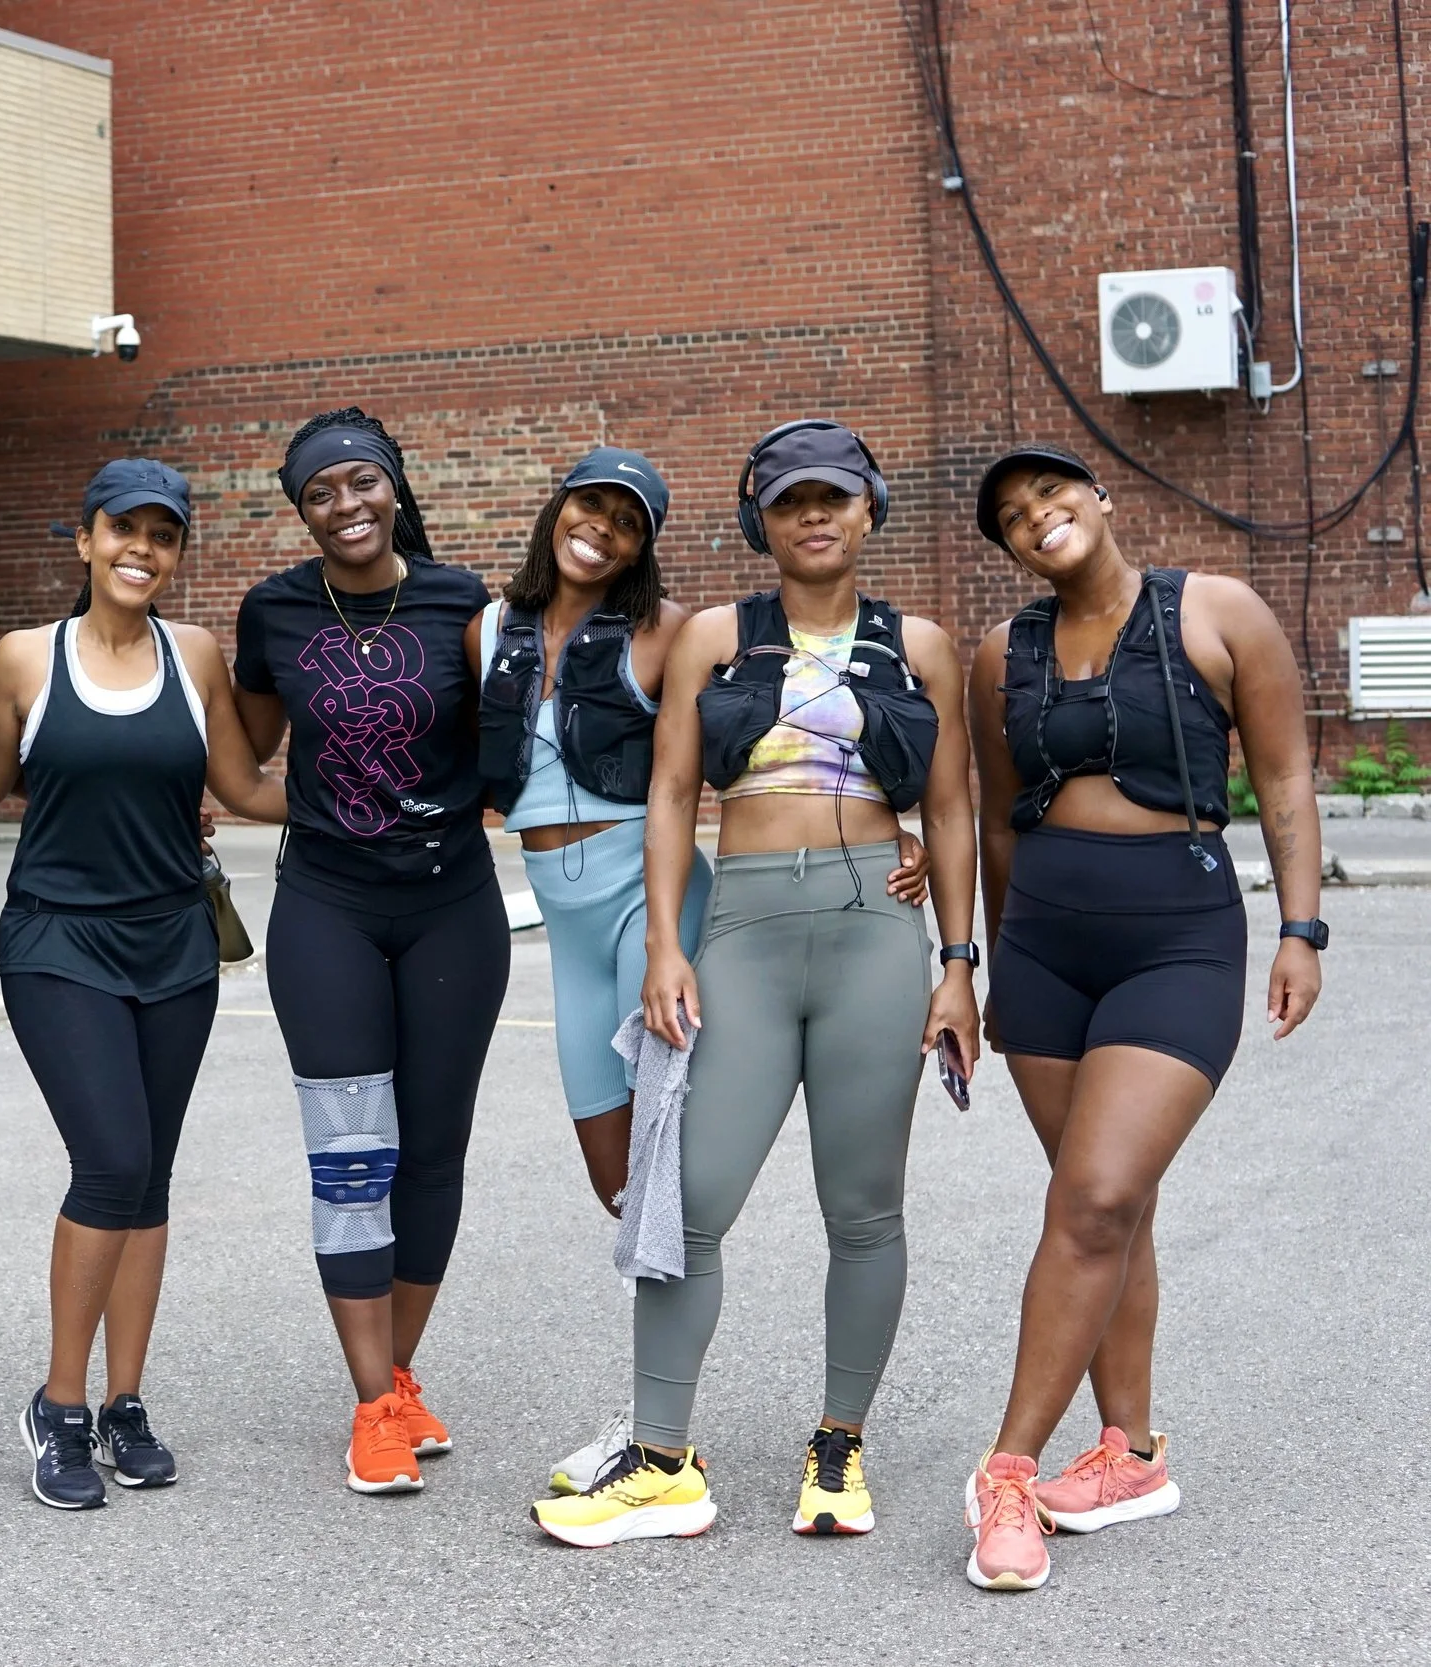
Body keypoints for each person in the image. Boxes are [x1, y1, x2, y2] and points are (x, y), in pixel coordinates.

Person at [534, 419, 980, 1548]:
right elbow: (675, 789)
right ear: (761, 521)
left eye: (834, 497)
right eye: (790, 502)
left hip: (876, 932)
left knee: (864, 1205)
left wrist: (957, 964)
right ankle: (662, 1457)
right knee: (686, 1201)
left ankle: (838, 1443)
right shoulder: (717, 638)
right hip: (741, 925)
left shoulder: (917, 641)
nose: (814, 515)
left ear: (869, 509)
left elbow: (953, 810)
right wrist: (665, 950)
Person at [959, 446, 1322, 1591]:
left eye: (1052, 495)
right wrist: (989, 963)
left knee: (1098, 1193)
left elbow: (1288, 770)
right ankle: (1130, 1451)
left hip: (1177, 935)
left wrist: (1302, 929)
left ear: (1103, 499)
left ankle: (1006, 1469)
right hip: (1044, 954)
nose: (1037, 519)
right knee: (1113, 1208)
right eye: (1014, 517)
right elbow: (999, 820)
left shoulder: (1218, 609)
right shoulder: (998, 653)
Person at [0, 460, 287, 1510]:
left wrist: (379, 785)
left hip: (174, 944)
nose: (141, 548)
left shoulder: (193, 654)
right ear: (85, 539)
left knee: (148, 1180)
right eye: (122, 529)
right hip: (58, 940)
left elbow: (238, 786)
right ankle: (58, 1406)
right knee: (110, 1159)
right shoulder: (23, 657)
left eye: (162, 534)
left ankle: (123, 1404)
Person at [231, 406, 510, 1496]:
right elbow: (246, 750)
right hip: (327, 907)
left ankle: (396, 1374)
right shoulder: (274, 610)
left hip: (452, 907)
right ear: (301, 510)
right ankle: (368, 1408)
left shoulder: (465, 604)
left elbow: (507, 746)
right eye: (320, 493)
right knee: (354, 1153)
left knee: (433, 1149)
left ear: (395, 488)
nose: (345, 506)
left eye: (361, 484)